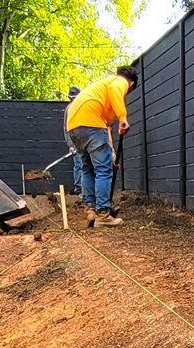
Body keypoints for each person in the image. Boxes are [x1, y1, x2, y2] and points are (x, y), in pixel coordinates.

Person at [64, 65, 136, 227]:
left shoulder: (99, 90)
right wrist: (123, 118)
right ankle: (103, 214)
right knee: (103, 170)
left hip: (75, 126)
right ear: (130, 85)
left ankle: (90, 209)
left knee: (87, 168)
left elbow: (105, 127)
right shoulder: (119, 81)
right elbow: (115, 90)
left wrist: (111, 151)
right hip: (90, 123)